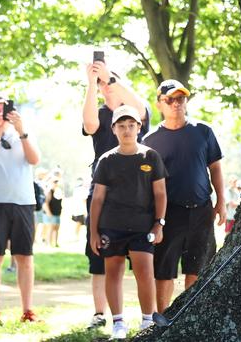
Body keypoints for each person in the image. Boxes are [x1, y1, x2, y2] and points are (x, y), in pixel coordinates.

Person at [142, 79, 227, 313]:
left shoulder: (203, 131)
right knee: (164, 269)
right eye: (169, 99)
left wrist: (221, 201)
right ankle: (162, 318)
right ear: (159, 104)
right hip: (168, 214)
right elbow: (145, 184)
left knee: (198, 267)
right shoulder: (149, 141)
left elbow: (216, 168)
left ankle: (190, 315)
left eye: (180, 98)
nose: (175, 103)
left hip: (201, 210)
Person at [82, 56, 150, 329]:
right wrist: (91, 83)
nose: (106, 88)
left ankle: (145, 316)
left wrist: (110, 78)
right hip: (102, 193)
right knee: (100, 256)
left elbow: (142, 109)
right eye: (102, 85)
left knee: (140, 259)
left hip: (136, 197)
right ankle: (100, 314)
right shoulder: (98, 114)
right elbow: (88, 126)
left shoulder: (132, 114)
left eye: (109, 82)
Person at [89, 105, 167, 339]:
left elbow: (161, 193)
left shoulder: (150, 156)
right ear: (113, 129)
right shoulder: (106, 160)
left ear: (139, 127)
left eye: (131, 125)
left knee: (144, 271)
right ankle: (118, 323)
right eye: (121, 126)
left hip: (143, 225)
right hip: (111, 226)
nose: (126, 130)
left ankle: (146, 321)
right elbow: (98, 198)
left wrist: (159, 223)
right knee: (113, 272)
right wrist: (93, 232)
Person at [0, 93, 41, 323]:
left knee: (25, 257)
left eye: (4, 108)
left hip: (23, 202)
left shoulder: (24, 133)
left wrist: (22, 131)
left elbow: (34, 159)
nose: (0, 112)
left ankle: (28, 310)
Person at [43, 176, 63, 247]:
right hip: (51, 213)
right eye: (54, 182)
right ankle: (48, 243)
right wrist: (49, 213)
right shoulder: (49, 191)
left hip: (57, 213)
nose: (56, 183)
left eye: (57, 182)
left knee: (56, 228)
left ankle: (55, 243)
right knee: (50, 228)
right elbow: (45, 203)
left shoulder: (58, 191)